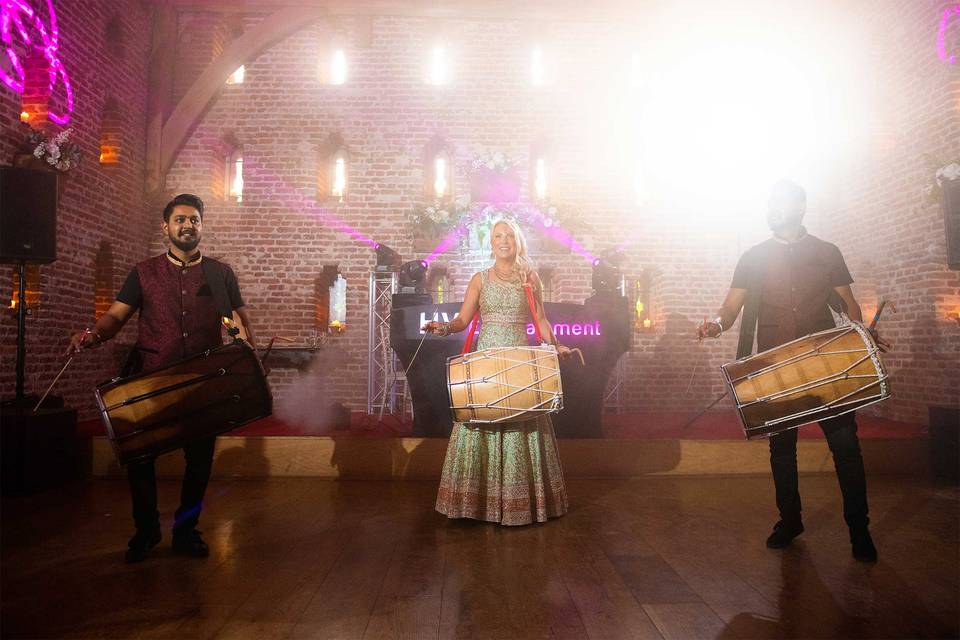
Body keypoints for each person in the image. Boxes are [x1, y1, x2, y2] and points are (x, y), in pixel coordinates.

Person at [697, 180, 887, 562]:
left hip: (823, 362)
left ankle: (859, 529)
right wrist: (715, 324)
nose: (771, 208)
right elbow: (730, 308)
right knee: (782, 450)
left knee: (846, 446)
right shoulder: (752, 257)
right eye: (769, 202)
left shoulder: (826, 252)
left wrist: (859, 337)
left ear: (800, 206)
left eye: (779, 202)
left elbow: (848, 304)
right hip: (774, 365)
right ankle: (790, 520)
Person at [66, 194, 257, 563]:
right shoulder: (143, 272)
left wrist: (243, 343)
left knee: (199, 462)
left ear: (202, 226)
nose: (188, 225)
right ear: (166, 227)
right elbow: (116, 317)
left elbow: (241, 323)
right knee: (141, 459)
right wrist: (91, 336)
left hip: (203, 380)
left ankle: (186, 532)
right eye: (181, 219)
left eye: (195, 220)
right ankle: (146, 530)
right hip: (150, 380)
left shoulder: (221, 274)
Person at [424, 219, 573, 525]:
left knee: (523, 421)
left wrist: (556, 344)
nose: (503, 240)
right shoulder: (480, 279)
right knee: (480, 419)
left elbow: (541, 320)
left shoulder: (529, 278)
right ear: (490, 243)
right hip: (487, 362)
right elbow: (463, 319)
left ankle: (521, 505)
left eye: (509, 235)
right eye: (497, 236)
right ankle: (476, 504)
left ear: (517, 241)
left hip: (519, 361)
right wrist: (443, 328)